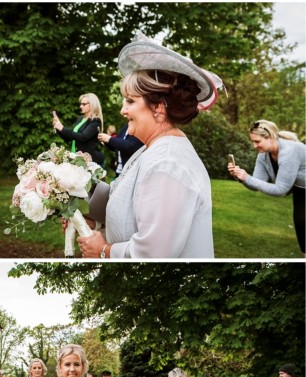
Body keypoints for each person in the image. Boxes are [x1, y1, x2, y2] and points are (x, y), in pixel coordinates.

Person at [77, 34, 221, 259]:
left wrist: (103, 250)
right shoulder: (151, 149)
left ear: (158, 108)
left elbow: (154, 251)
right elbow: (128, 204)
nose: (123, 111)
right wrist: (89, 217)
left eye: (130, 101)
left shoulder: (168, 164)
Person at [228, 120, 306, 255]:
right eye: (253, 141)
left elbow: (280, 190)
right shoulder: (263, 156)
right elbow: (256, 183)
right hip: (300, 187)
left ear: (270, 137)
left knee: (303, 221)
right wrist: (240, 177)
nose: (254, 145)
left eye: (257, 141)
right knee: (301, 223)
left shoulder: (289, 152)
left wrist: (247, 177)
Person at [52, 93, 105, 166]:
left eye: (84, 104)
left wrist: (63, 128)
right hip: (75, 157)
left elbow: (83, 137)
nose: (81, 106)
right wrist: (59, 129)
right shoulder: (80, 119)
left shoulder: (95, 121)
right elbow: (70, 138)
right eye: (81, 104)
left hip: (89, 160)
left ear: (92, 104)